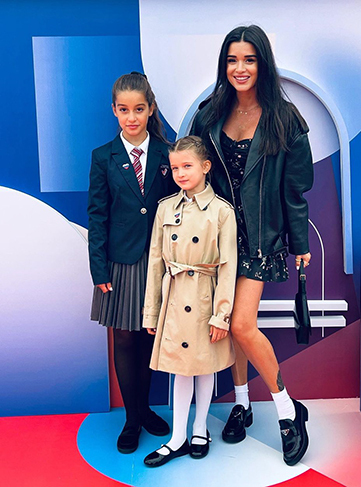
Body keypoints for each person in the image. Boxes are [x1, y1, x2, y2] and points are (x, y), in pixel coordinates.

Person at [190, 25, 314, 466]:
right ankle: (241, 403)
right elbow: (194, 172)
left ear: (263, 63)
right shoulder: (209, 114)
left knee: (242, 324)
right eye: (232, 60)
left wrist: (299, 242)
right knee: (228, 323)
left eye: (249, 59)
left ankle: (287, 411)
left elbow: (295, 189)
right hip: (218, 239)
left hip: (261, 240)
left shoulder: (285, 118)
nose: (239, 68)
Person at [88, 72, 178, 454]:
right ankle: (131, 418)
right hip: (120, 262)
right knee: (124, 337)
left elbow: (177, 207)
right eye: (124, 110)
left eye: (139, 109)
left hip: (158, 261)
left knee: (148, 336)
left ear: (150, 109)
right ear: (114, 110)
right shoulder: (103, 157)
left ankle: (144, 410)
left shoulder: (166, 154)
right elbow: (97, 215)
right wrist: (98, 268)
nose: (131, 117)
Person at [142, 136, 237, 467]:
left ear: (205, 167)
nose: (180, 173)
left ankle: (199, 429)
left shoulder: (222, 211)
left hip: (204, 298)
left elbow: (228, 267)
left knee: (204, 364)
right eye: (174, 168)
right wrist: (151, 312)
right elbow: (156, 261)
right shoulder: (166, 207)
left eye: (187, 166)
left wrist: (221, 316)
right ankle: (177, 437)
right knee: (180, 368)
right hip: (174, 297)